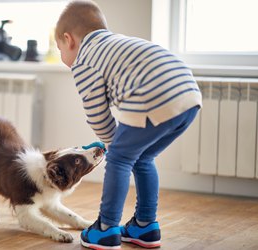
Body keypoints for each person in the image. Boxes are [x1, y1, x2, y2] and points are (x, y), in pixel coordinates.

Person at [55, 0, 202, 249]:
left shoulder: (85, 60)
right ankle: (145, 226)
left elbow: (97, 114)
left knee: (120, 159)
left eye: (59, 49)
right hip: (188, 96)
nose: (62, 57)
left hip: (155, 95)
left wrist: (113, 146)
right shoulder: (118, 44)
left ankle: (106, 228)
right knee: (142, 158)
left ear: (69, 40)